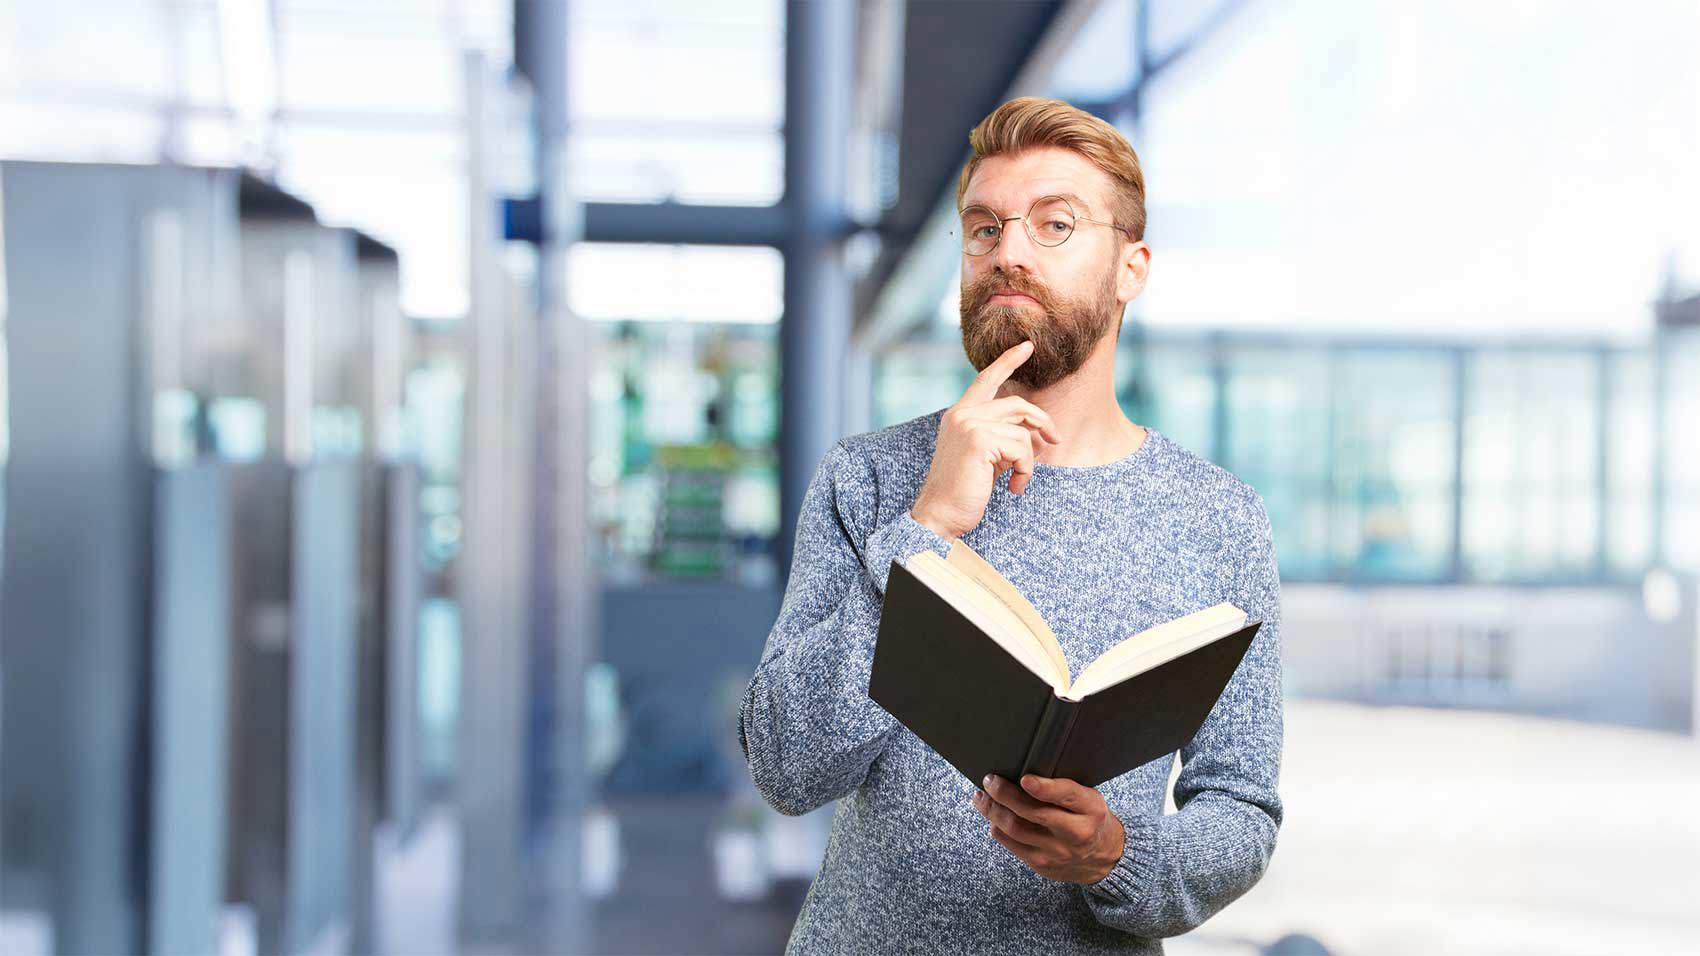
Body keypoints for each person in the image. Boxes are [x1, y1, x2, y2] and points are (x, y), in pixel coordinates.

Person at [738, 96, 1283, 954]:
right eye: (983, 228)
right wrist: (925, 531)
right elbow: (786, 765)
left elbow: (1241, 809)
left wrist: (1117, 857)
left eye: (1054, 225)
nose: (1008, 253)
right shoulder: (870, 478)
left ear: (1131, 267)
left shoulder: (1220, 518)